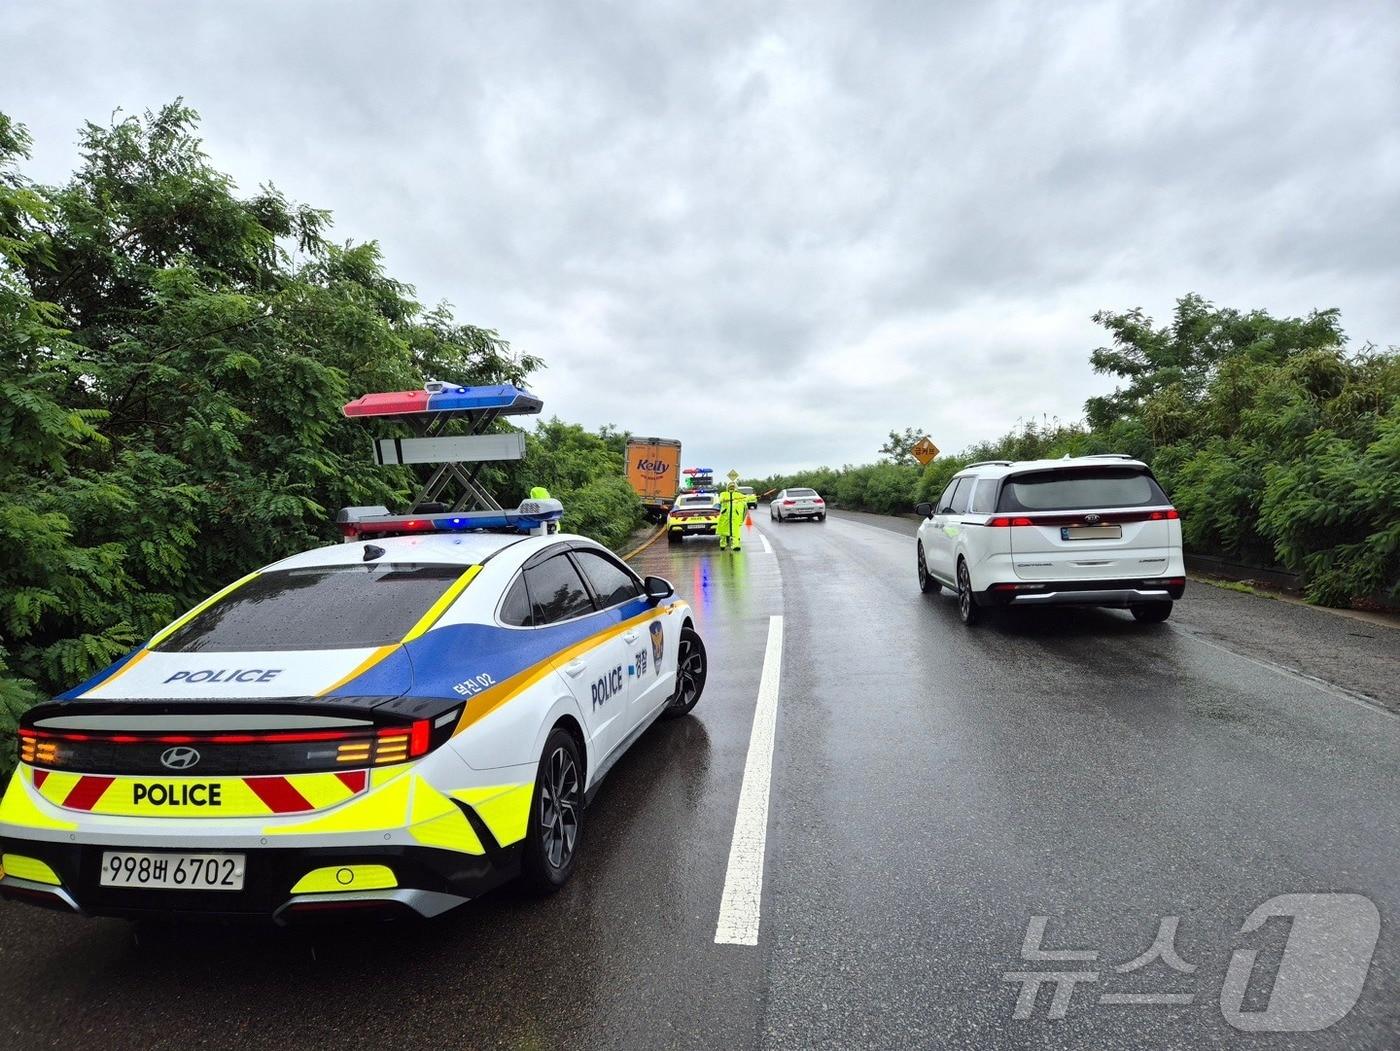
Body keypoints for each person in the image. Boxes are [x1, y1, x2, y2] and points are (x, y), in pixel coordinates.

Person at [717, 480, 747, 552]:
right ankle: (723, 544)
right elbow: (721, 500)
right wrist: (729, 499)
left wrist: (753, 497)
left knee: (735, 531)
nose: (731, 488)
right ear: (727, 487)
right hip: (725, 516)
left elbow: (746, 498)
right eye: (730, 486)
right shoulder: (723, 494)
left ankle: (736, 545)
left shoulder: (738, 495)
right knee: (723, 531)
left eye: (733, 486)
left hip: (734, 516)